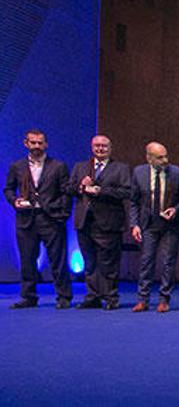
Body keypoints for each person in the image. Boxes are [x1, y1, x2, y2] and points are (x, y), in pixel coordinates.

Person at [4, 129, 72, 309]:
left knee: (58, 260)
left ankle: (64, 297)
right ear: (26, 143)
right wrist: (15, 200)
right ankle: (29, 296)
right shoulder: (17, 167)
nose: (36, 146)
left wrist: (62, 213)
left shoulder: (58, 166)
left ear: (46, 144)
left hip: (51, 219)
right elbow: (8, 189)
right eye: (33, 143)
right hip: (26, 220)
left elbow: (66, 192)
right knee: (27, 260)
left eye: (40, 143)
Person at [67, 134, 131, 311]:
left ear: (110, 148)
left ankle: (110, 297)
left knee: (108, 263)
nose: (100, 149)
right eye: (97, 146)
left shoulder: (120, 168)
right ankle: (92, 296)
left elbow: (126, 192)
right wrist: (81, 186)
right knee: (89, 262)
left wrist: (101, 191)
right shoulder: (81, 167)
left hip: (109, 222)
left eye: (104, 146)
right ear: (91, 147)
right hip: (85, 222)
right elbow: (69, 189)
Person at [130, 142, 179, 313]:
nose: (165, 160)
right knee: (146, 261)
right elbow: (134, 201)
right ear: (149, 158)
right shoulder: (139, 173)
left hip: (170, 225)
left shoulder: (177, 173)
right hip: (149, 224)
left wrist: (175, 209)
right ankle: (143, 299)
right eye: (160, 158)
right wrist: (134, 224)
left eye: (166, 156)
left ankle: (164, 299)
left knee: (168, 262)